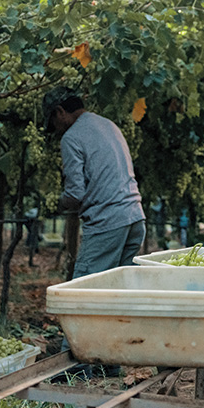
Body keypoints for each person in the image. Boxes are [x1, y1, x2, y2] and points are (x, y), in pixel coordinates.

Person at [44, 89, 146, 280]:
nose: (56, 129)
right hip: (135, 219)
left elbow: (75, 194)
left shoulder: (71, 137)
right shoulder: (109, 125)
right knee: (117, 290)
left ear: (59, 112)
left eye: (53, 123)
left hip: (107, 223)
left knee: (85, 288)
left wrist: (55, 205)